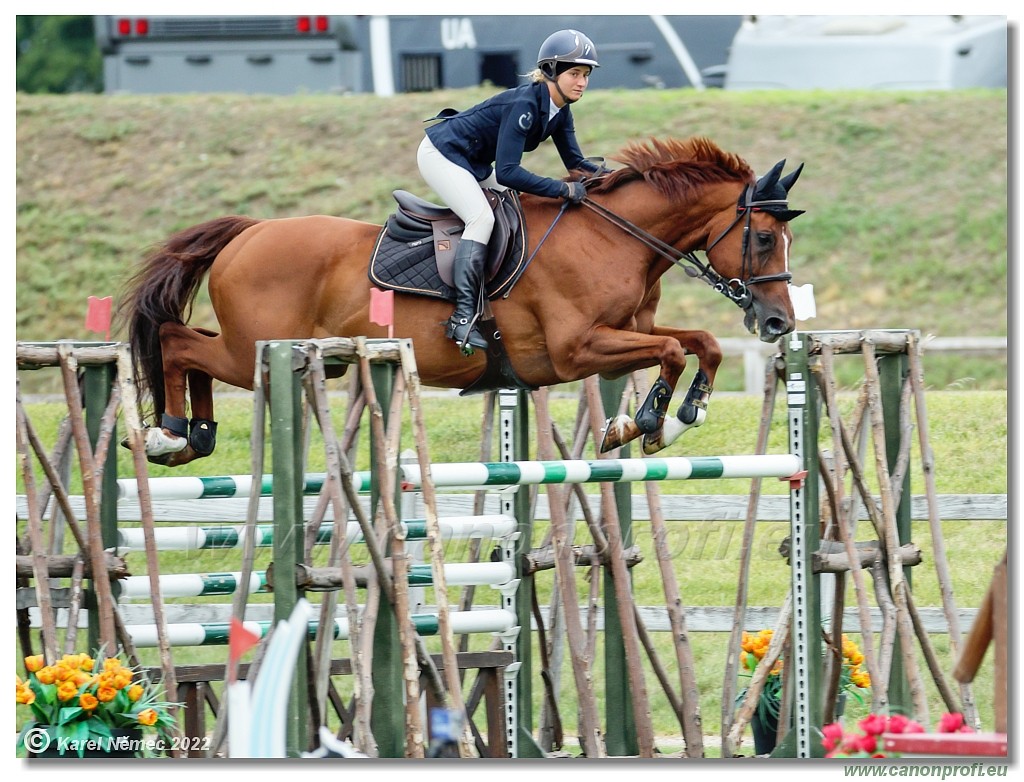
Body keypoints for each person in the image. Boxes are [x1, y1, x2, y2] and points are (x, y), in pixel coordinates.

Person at [417, 29, 606, 353]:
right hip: (441, 153)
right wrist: (561, 189)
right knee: (482, 219)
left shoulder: (561, 111)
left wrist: (619, 177)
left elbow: (576, 161)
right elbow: (508, 172)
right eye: (574, 73)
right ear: (550, 71)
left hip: (471, 161)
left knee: (516, 210)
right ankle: (462, 317)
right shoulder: (525, 104)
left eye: (586, 75)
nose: (581, 82)